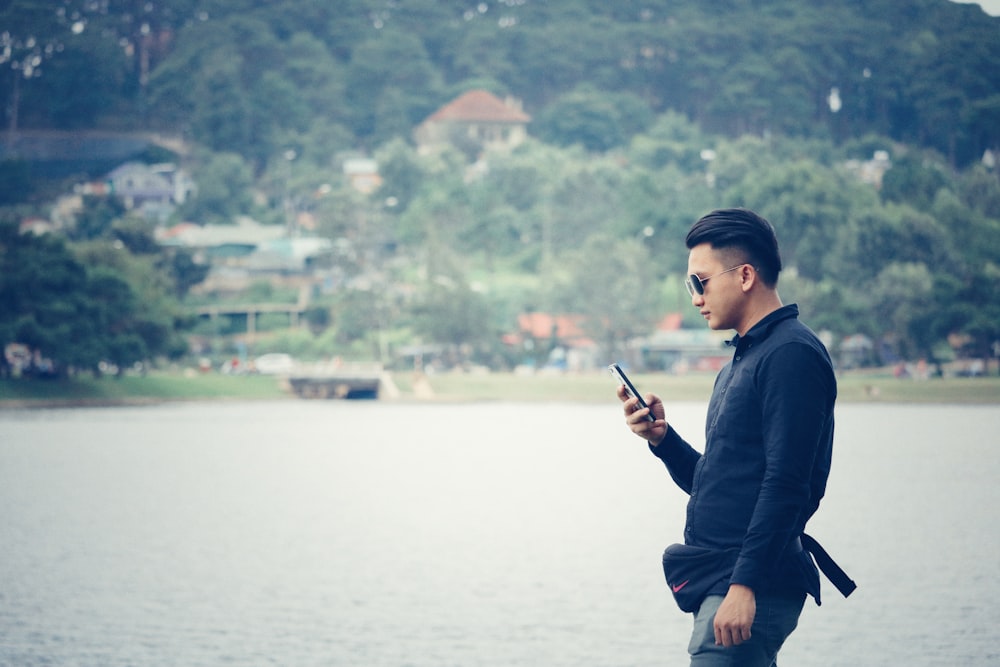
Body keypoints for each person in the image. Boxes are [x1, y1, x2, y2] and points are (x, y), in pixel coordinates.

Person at [618, 208, 854, 666]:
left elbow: (789, 484)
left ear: (745, 275)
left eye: (699, 282)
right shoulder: (745, 359)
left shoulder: (791, 355)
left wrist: (745, 586)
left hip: (749, 582)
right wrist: (663, 441)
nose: (694, 298)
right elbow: (724, 485)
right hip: (726, 578)